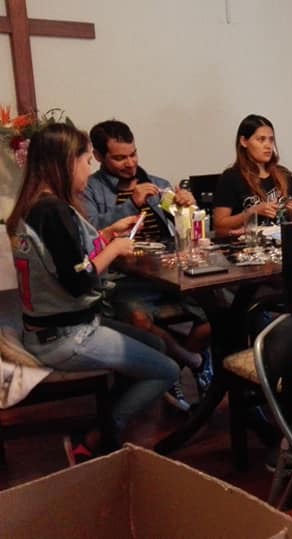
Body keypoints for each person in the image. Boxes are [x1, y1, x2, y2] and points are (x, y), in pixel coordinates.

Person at [6, 123, 179, 464]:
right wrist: (114, 249)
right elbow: (79, 280)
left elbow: (66, 258)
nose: (89, 171)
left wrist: (106, 232)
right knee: (168, 370)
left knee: (157, 344)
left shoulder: (35, 206)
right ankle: (99, 435)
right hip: (67, 336)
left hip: (57, 328)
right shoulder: (52, 211)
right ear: (66, 162)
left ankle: (105, 426)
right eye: (86, 161)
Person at [83, 120, 212, 409]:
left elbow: (185, 234)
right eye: (119, 157)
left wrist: (187, 209)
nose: (130, 163)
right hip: (126, 279)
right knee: (139, 321)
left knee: (219, 313)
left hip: (171, 271)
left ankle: (177, 371)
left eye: (133, 154)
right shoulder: (90, 189)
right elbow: (90, 233)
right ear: (100, 156)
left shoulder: (159, 183)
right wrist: (132, 204)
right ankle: (187, 363)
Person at [212, 114, 292, 236]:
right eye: (261, 139)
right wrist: (252, 212)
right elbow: (219, 225)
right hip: (248, 247)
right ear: (244, 141)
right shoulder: (231, 177)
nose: (268, 146)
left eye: (271, 139)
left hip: (281, 243)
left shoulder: (283, 174)